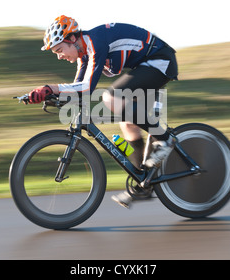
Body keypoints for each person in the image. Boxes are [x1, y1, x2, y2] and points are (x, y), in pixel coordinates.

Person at [28, 15, 178, 208]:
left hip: (160, 60)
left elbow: (86, 88)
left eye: (59, 50)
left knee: (111, 98)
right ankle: (144, 185)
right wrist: (48, 95)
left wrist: (50, 87)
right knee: (128, 124)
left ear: (72, 39)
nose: (59, 56)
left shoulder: (96, 43)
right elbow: (77, 89)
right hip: (146, 66)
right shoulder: (84, 55)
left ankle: (165, 139)